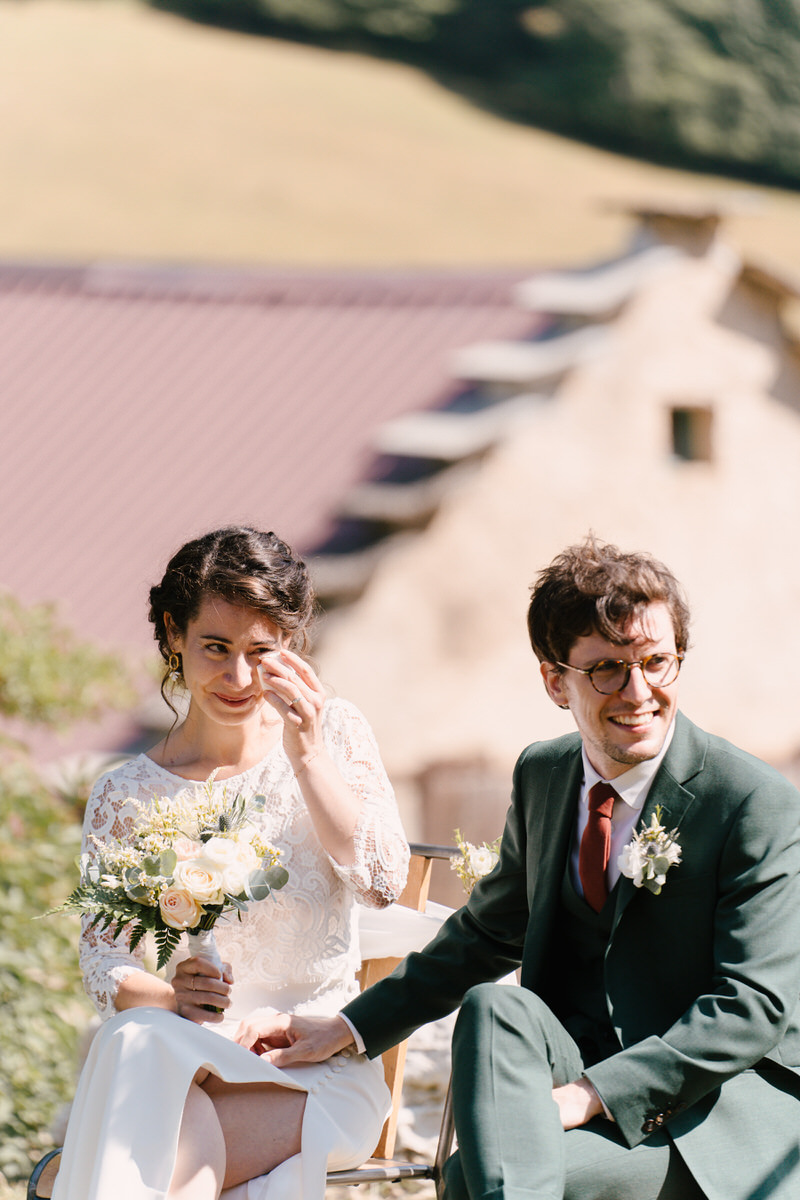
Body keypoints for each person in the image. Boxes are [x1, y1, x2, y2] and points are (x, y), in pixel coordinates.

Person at [255, 536, 800, 1200]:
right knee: (495, 1008)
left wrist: (589, 1095)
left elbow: (751, 1008)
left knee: (468, 1181)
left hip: (709, 1115)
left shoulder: (751, 801)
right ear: (553, 680)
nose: (639, 690)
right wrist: (350, 1028)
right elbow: (485, 935)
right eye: (607, 669)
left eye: (657, 661)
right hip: (576, 1074)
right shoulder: (544, 774)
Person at [52, 526, 410, 1200]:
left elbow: (384, 882)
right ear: (173, 633)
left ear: (290, 647)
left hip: (310, 1065)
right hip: (185, 1061)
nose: (238, 678)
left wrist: (307, 756)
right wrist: (170, 996)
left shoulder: (333, 734)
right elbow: (105, 962)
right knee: (139, 1043)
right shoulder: (126, 792)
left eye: (260, 651)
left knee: (148, 1128)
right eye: (216, 648)